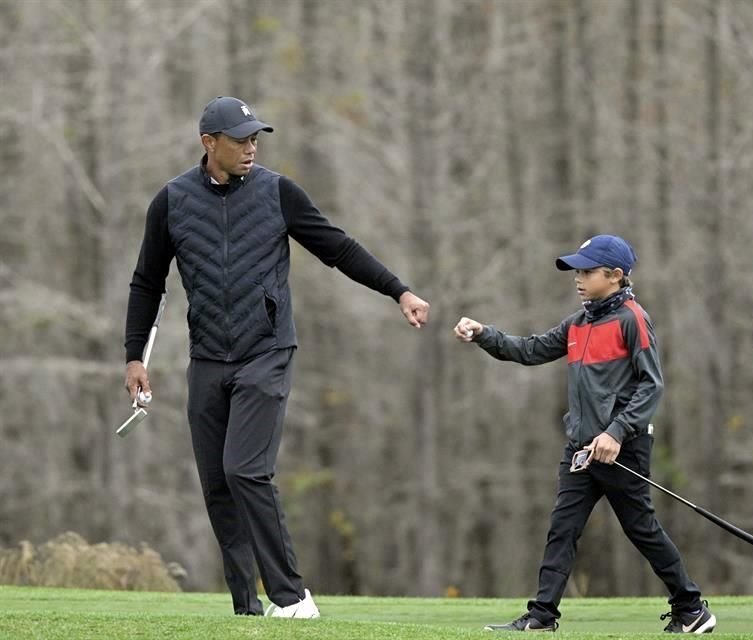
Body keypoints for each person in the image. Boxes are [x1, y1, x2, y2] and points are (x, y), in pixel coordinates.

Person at [123, 96, 430, 617]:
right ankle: (247, 608)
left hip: (266, 352)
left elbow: (339, 248)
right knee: (218, 484)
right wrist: (135, 356)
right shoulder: (172, 201)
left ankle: (292, 598)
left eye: (254, 138)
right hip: (208, 358)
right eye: (240, 139)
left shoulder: (276, 192)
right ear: (208, 143)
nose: (251, 147)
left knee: (245, 469)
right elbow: (147, 281)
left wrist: (398, 290)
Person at [454, 235, 716, 634]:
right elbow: (530, 350)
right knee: (563, 528)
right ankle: (542, 615)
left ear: (614, 276)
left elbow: (652, 385)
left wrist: (615, 432)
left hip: (621, 449)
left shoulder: (633, 319)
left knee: (641, 529)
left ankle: (691, 607)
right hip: (580, 449)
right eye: (577, 271)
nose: (578, 279)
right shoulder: (579, 323)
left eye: (587, 271)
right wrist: (483, 333)